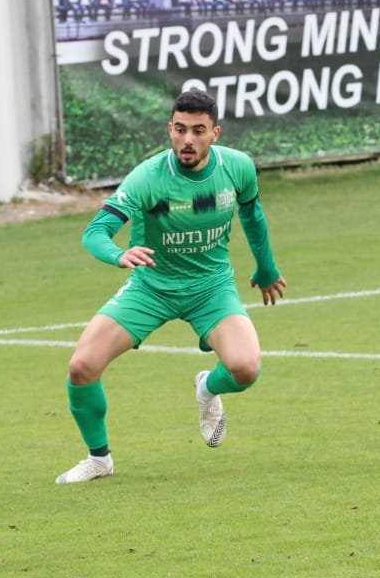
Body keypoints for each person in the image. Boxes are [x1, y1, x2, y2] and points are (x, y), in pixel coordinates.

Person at [55, 88, 286, 484]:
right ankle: (99, 459)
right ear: (170, 129)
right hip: (152, 288)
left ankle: (206, 387)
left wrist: (266, 268)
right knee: (82, 366)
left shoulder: (238, 168)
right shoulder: (148, 178)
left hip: (211, 288)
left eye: (198, 131)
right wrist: (117, 254)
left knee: (245, 369)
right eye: (180, 130)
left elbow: (253, 216)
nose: (187, 140)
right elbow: (96, 232)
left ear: (216, 133)